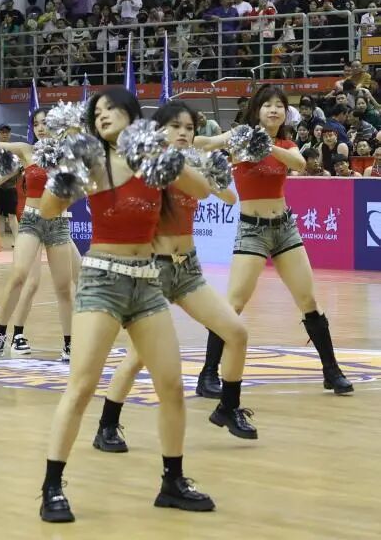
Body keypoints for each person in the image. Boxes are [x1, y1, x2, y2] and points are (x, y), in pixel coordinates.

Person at [38, 87, 216, 523]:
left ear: (132, 115)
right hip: (102, 280)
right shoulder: (92, 162)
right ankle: (52, 487)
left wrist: (162, 155)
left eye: (111, 108)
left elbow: (204, 189)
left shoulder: (154, 160)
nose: (102, 115)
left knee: (171, 386)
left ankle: (172, 481)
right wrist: (65, 175)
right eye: (96, 111)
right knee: (82, 385)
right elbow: (47, 210)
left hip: (147, 282)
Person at [94, 101, 255, 455]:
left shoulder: (190, 165)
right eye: (175, 127)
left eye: (189, 128)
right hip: (153, 270)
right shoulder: (143, 165)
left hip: (188, 269)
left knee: (236, 333)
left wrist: (208, 170)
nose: (183, 133)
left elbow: (230, 197)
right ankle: (107, 424)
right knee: (139, 356)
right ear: (158, 131)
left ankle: (228, 407)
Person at [194, 86, 353, 396]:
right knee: (234, 304)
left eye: (279, 105)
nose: (273, 109)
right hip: (252, 230)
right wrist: (185, 139)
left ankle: (331, 371)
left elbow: (299, 164)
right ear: (257, 110)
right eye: (267, 105)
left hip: (285, 229)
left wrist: (267, 145)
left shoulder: (286, 144)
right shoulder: (241, 136)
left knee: (309, 301)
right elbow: (208, 143)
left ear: (285, 113)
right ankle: (208, 374)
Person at [0, 109, 78, 361]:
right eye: (36, 124)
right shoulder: (27, 151)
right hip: (31, 221)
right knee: (19, 276)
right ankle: (0, 333)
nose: (41, 128)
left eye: (45, 123)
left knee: (63, 287)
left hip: (58, 223)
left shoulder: (67, 154)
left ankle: (69, 343)